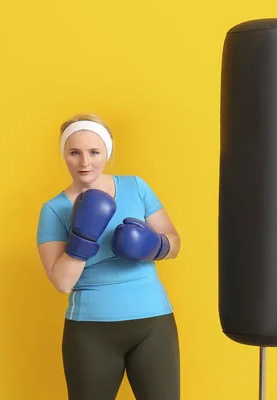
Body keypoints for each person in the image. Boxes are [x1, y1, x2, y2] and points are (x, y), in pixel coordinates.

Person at [36, 113, 182, 400]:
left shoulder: (136, 187)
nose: (84, 162)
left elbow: (175, 243)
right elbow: (62, 283)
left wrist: (155, 246)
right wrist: (83, 238)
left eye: (93, 152)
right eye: (74, 152)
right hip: (91, 333)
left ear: (107, 152)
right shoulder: (53, 209)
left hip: (154, 324)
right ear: (64, 155)